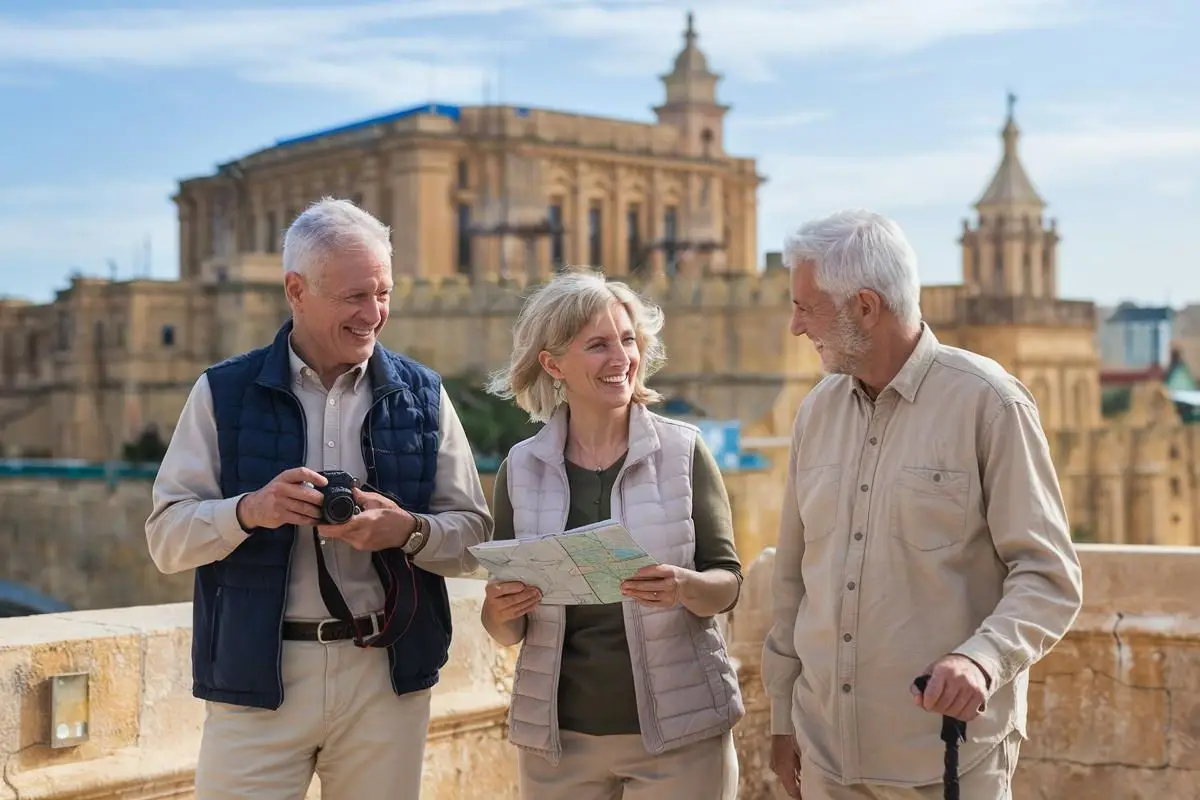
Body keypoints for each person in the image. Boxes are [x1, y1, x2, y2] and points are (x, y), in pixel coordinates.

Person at [145, 197, 494, 800]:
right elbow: (166, 540)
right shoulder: (221, 393)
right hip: (256, 679)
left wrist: (406, 531)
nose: (374, 314)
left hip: (385, 680)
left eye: (383, 293)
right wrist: (250, 511)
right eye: (354, 296)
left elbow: (476, 539)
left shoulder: (424, 396)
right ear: (296, 290)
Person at [762, 209, 1084, 800]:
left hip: (946, 757)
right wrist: (784, 719)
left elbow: (1048, 576)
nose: (795, 327)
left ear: (865, 306)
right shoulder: (816, 412)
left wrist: (983, 660)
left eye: (807, 308)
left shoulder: (989, 404)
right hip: (826, 758)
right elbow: (792, 581)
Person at [479, 268, 744, 799]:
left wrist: (685, 587)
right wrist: (500, 610)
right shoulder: (520, 467)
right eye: (598, 345)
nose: (621, 358)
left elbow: (729, 583)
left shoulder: (685, 453)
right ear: (553, 364)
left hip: (681, 739)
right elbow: (507, 629)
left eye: (628, 340)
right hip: (558, 746)